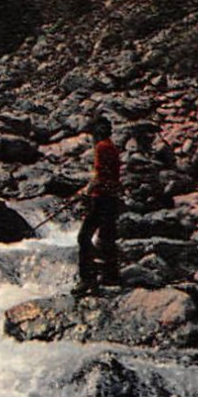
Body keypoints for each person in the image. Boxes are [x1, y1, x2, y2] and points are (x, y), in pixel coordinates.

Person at [75, 118, 123, 294]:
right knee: (106, 238)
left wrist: (86, 191)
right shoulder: (110, 146)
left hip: (102, 198)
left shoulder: (102, 147)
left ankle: (87, 279)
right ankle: (110, 276)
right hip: (111, 198)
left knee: (83, 237)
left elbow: (101, 175)